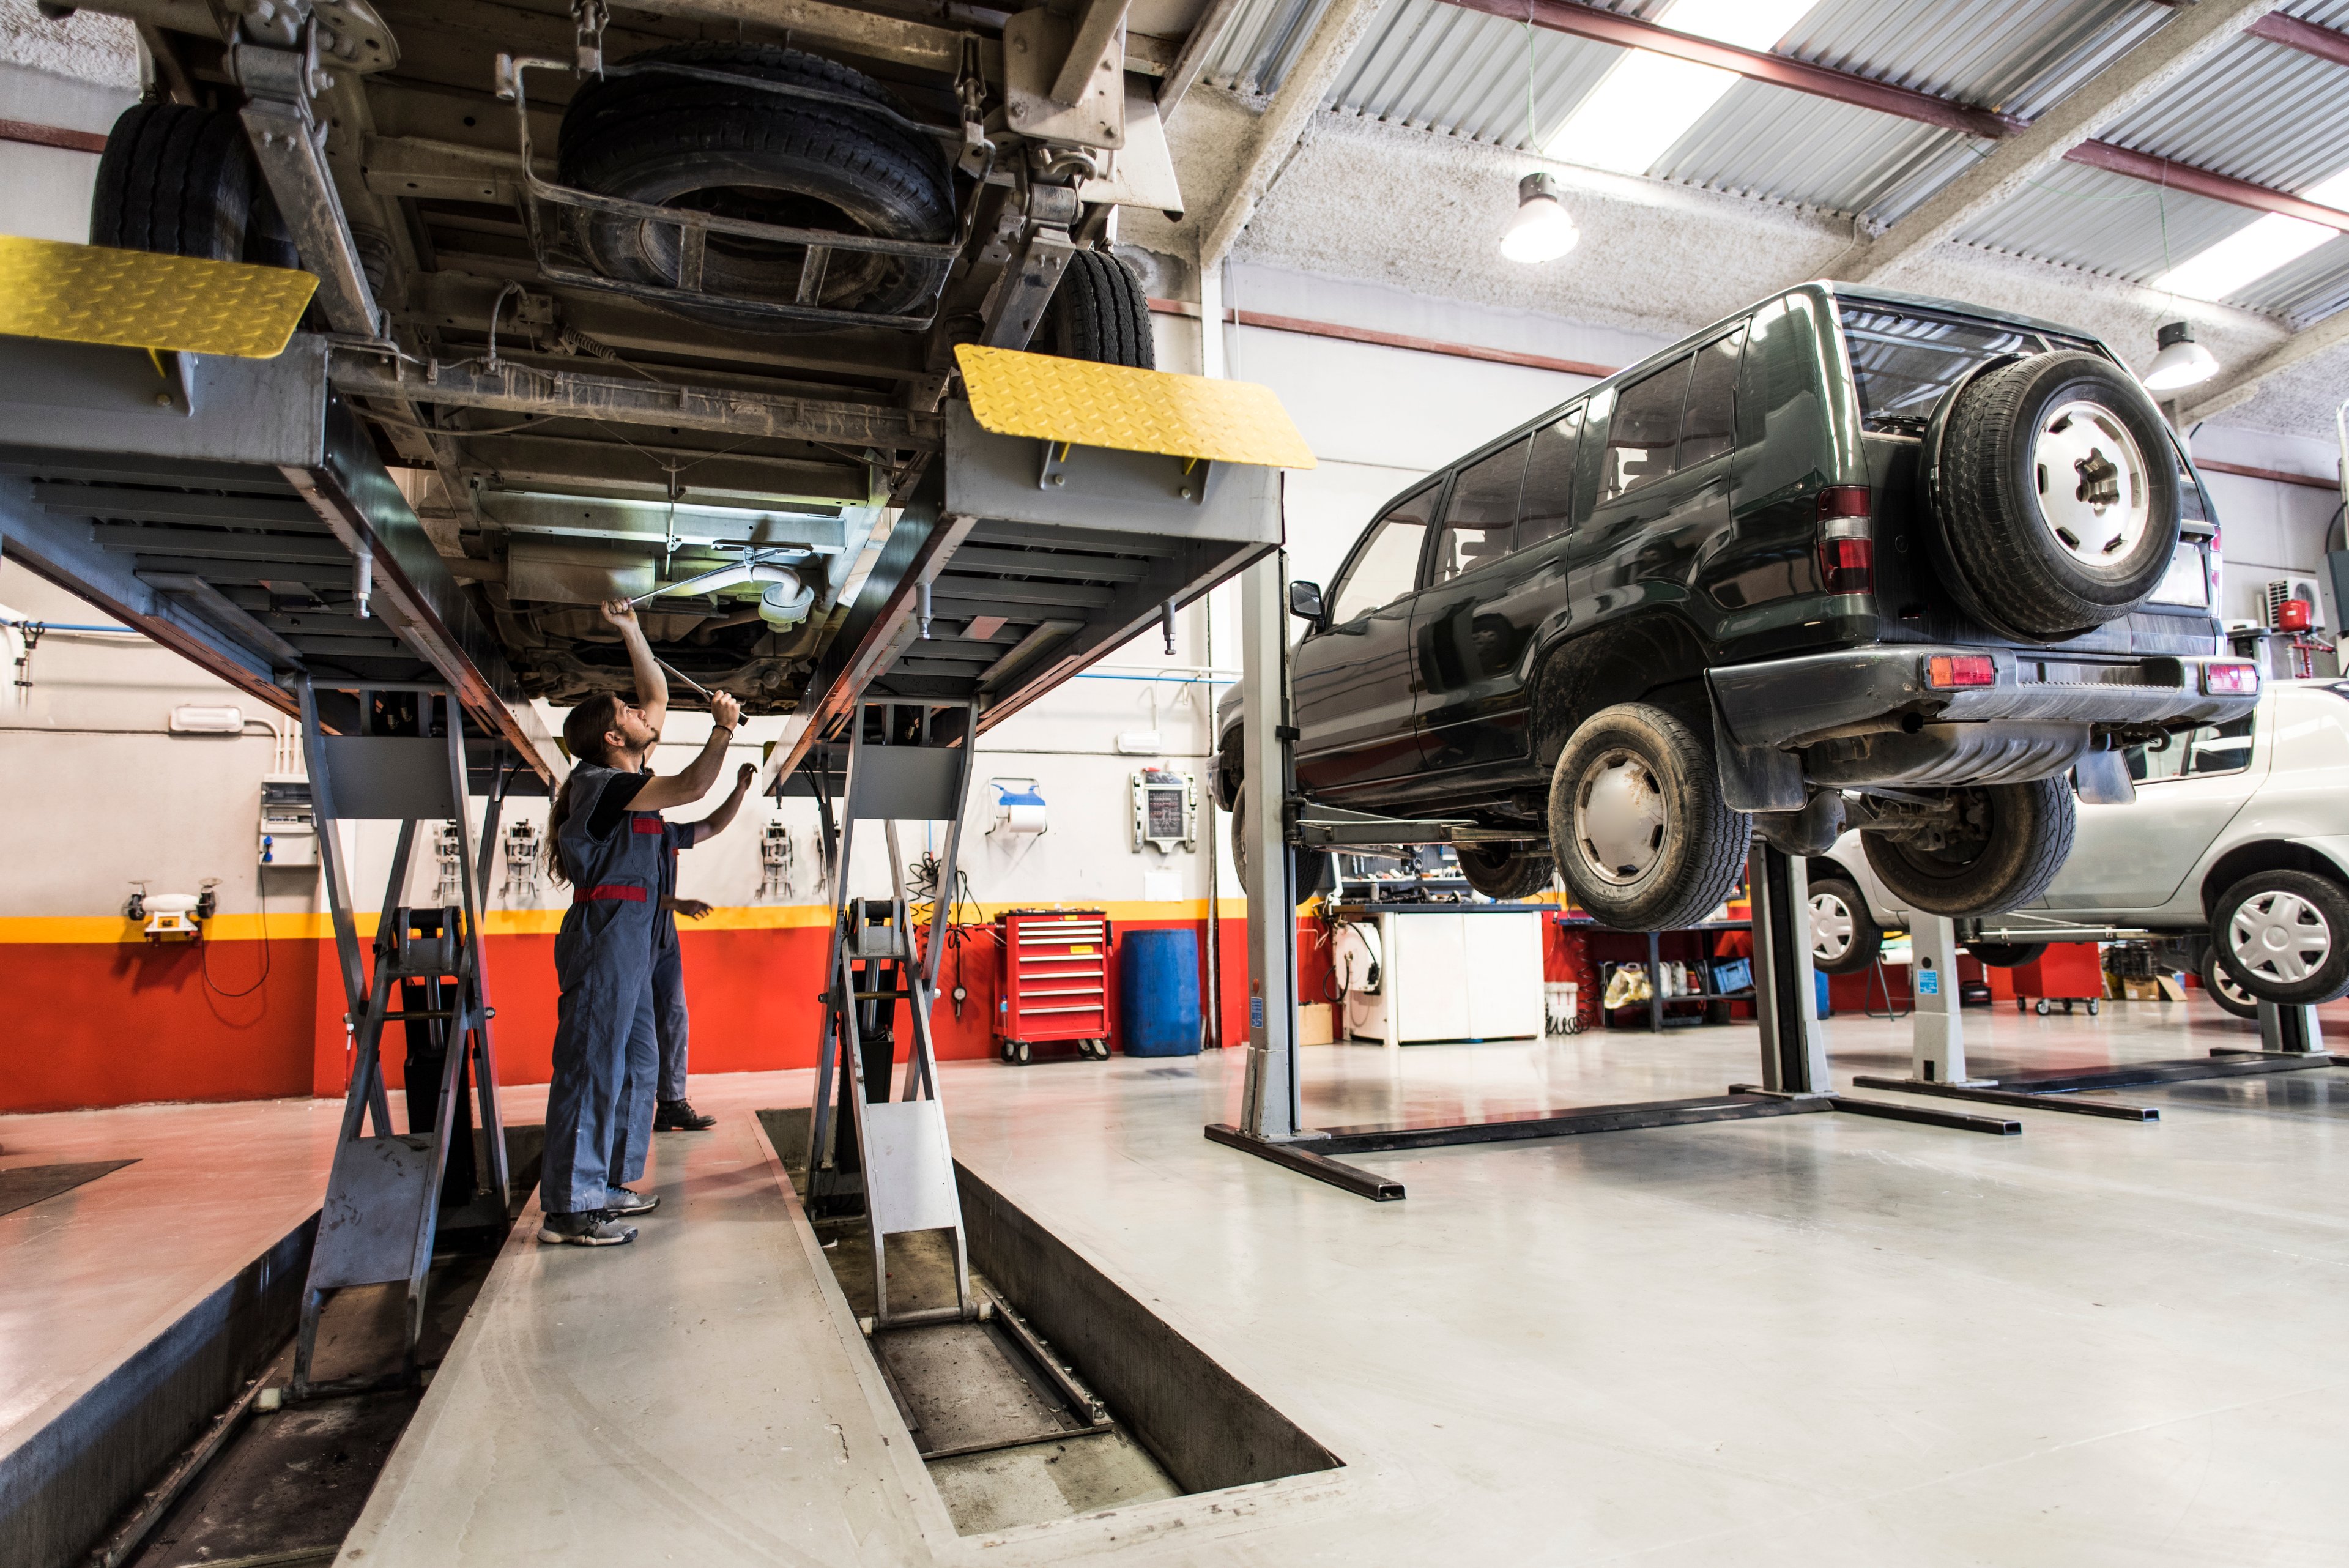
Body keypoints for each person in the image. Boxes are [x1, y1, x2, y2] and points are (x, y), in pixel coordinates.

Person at [538, 598, 741, 1247]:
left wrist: (629, 630)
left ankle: (606, 1183)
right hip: (607, 933)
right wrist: (722, 732)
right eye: (627, 714)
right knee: (593, 1062)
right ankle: (571, 1205)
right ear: (612, 737)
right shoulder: (604, 784)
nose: (642, 711)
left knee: (638, 1062)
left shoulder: (625, 776)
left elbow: (655, 693)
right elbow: (690, 788)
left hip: (638, 933)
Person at [650, 760, 757, 1132]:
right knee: (638, 1026)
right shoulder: (623, 836)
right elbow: (624, 890)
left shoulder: (665, 834)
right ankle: (626, 1109)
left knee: (674, 1016)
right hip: (630, 939)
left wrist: (740, 790)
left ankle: (672, 1103)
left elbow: (712, 825)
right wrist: (676, 904)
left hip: (663, 940)